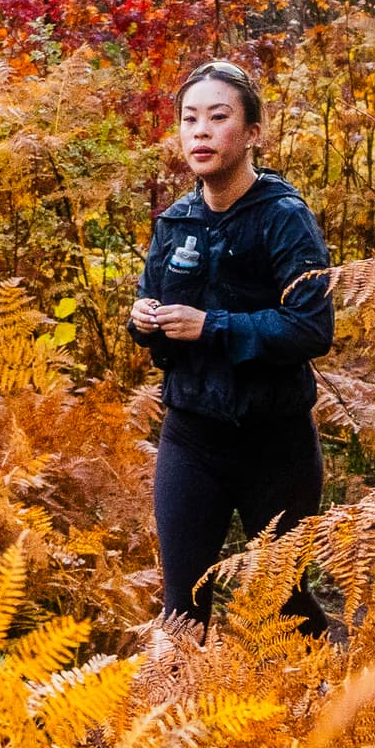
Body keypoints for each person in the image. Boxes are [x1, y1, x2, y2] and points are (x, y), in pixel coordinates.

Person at [130, 60, 334, 621]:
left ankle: (328, 702)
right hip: (191, 438)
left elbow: (312, 327)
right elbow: (154, 316)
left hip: (276, 443)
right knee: (181, 610)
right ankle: (181, 709)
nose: (200, 131)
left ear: (251, 134)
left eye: (218, 117)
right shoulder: (175, 222)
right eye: (190, 119)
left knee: (282, 605)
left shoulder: (283, 217)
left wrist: (211, 325)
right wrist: (143, 319)